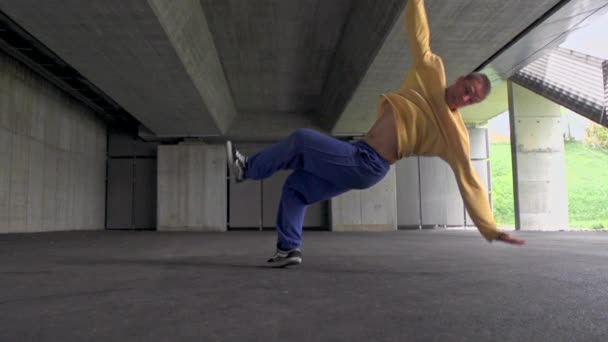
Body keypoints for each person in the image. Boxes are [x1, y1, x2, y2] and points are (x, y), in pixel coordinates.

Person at [226, 0, 525, 268]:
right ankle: (288, 248)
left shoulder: (454, 134)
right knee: (296, 189)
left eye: (472, 100)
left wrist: (491, 229)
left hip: (368, 164)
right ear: (461, 80)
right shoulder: (432, 72)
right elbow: (420, 34)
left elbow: (469, 179)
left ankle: (246, 169)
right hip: (358, 156)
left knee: (303, 140)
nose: (465, 99)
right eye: (467, 91)